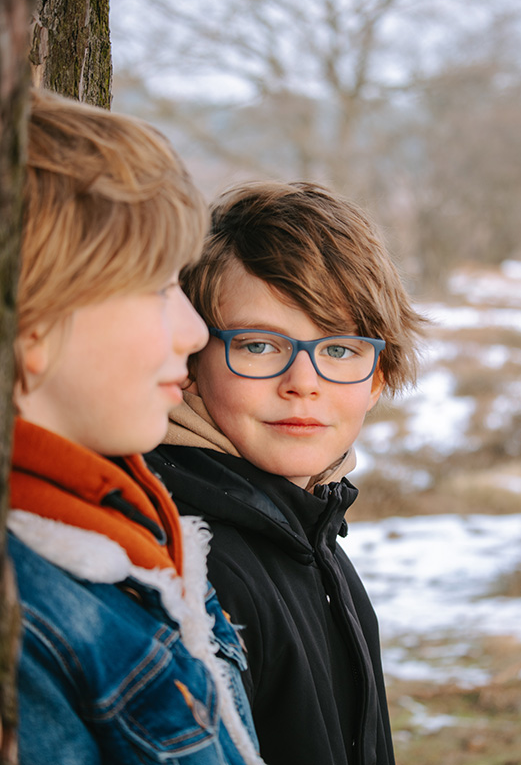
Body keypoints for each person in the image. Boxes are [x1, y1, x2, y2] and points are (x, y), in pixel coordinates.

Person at [7, 89, 265, 765]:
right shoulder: (23, 616)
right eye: (156, 289)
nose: (194, 330)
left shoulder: (135, 523)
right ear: (32, 324)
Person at [146, 181, 425, 765]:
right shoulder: (194, 559)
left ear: (379, 375)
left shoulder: (309, 534)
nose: (303, 382)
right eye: (258, 345)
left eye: (340, 350)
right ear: (192, 362)